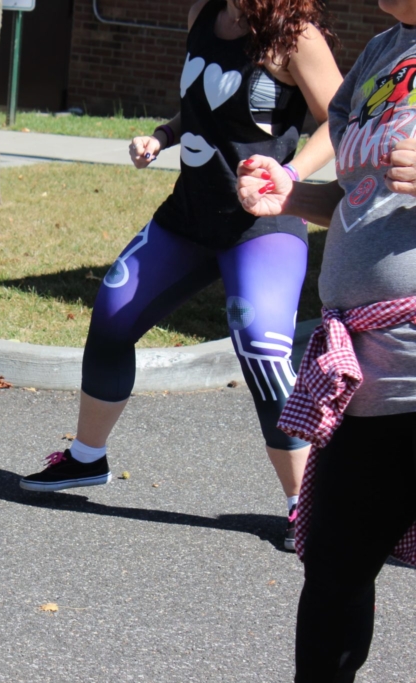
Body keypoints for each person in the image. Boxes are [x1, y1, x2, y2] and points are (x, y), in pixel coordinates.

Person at [20, 0, 342, 551]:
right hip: (189, 217)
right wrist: (163, 136)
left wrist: (287, 176)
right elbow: (203, 107)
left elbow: (341, 119)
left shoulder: (297, 36)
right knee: (114, 312)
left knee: (263, 351)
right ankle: (85, 459)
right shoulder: (204, 12)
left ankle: (305, 502)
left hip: (261, 225)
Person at [237, 0, 416, 676]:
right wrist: (289, 193)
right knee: (335, 568)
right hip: (367, 380)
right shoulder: (382, 52)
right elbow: (362, 195)